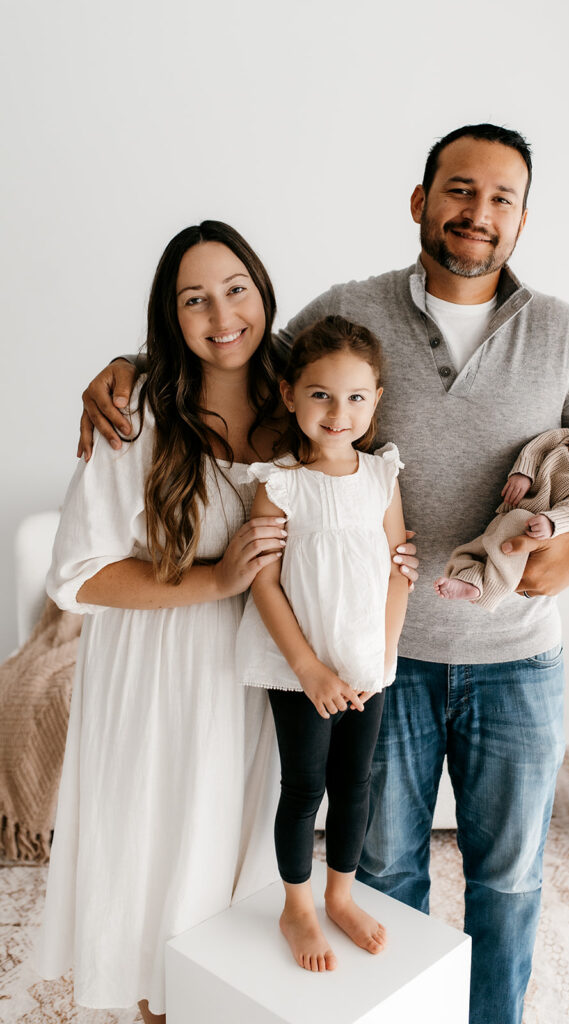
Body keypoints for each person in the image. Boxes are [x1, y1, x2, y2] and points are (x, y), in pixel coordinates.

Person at [77, 124, 569, 1024]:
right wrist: (132, 367)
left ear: (523, 218)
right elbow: (238, 355)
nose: (477, 213)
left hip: (517, 658)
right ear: (420, 202)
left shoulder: (562, 331)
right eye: (459, 190)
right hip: (383, 655)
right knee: (380, 874)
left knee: (508, 877)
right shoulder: (353, 307)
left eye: (501, 198)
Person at [37, 221, 295, 1024]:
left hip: (254, 678)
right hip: (154, 673)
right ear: (169, 317)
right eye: (195, 300)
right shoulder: (135, 415)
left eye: (235, 290)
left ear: (262, 293)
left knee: (230, 871)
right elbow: (80, 574)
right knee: (152, 867)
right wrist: (216, 579)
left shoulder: (303, 405)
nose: (222, 315)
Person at [236, 314, 409, 972]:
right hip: (298, 670)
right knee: (305, 786)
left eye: (356, 397)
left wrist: (382, 659)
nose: (339, 412)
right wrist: (307, 668)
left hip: (367, 666)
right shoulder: (280, 485)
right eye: (321, 395)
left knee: (355, 782)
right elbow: (264, 584)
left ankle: (341, 894)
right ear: (289, 395)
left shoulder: (381, 476)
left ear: (376, 401)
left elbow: (400, 569)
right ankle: (297, 907)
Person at [435, 423, 569, 609]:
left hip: (532, 534)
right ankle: (468, 581)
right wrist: (523, 473)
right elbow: (535, 449)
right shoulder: (564, 438)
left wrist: (552, 522)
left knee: (507, 547)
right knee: (470, 551)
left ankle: (490, 590)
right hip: (503, 522)